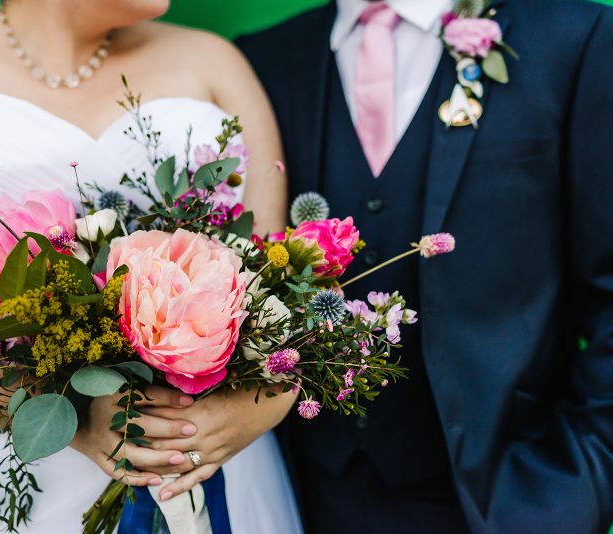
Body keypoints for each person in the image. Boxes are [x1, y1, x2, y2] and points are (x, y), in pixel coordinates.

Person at [0, 1, 303, 532]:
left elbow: (276, 299)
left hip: (194, 468)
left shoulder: (218, 65)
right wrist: (49, 411)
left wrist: (252, 411)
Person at [238, 0, 613, 532]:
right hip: (302, 500)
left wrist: (570, 494)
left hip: (504, 498)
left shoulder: (576, 38)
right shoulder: (267, 59)